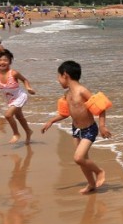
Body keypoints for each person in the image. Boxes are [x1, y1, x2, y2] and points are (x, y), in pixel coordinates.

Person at [41, 60, 111, 194]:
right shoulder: (67, 94)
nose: (58, 81)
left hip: (89, 129)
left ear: (65, 75)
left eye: (58, 77)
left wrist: (102, 126)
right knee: (82, 160)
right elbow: (65, 113)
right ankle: (91, 184)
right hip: (76, 130)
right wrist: (51, 121)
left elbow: (101, 107)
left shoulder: (82, 91)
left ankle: (99, 171)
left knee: (78, 158)